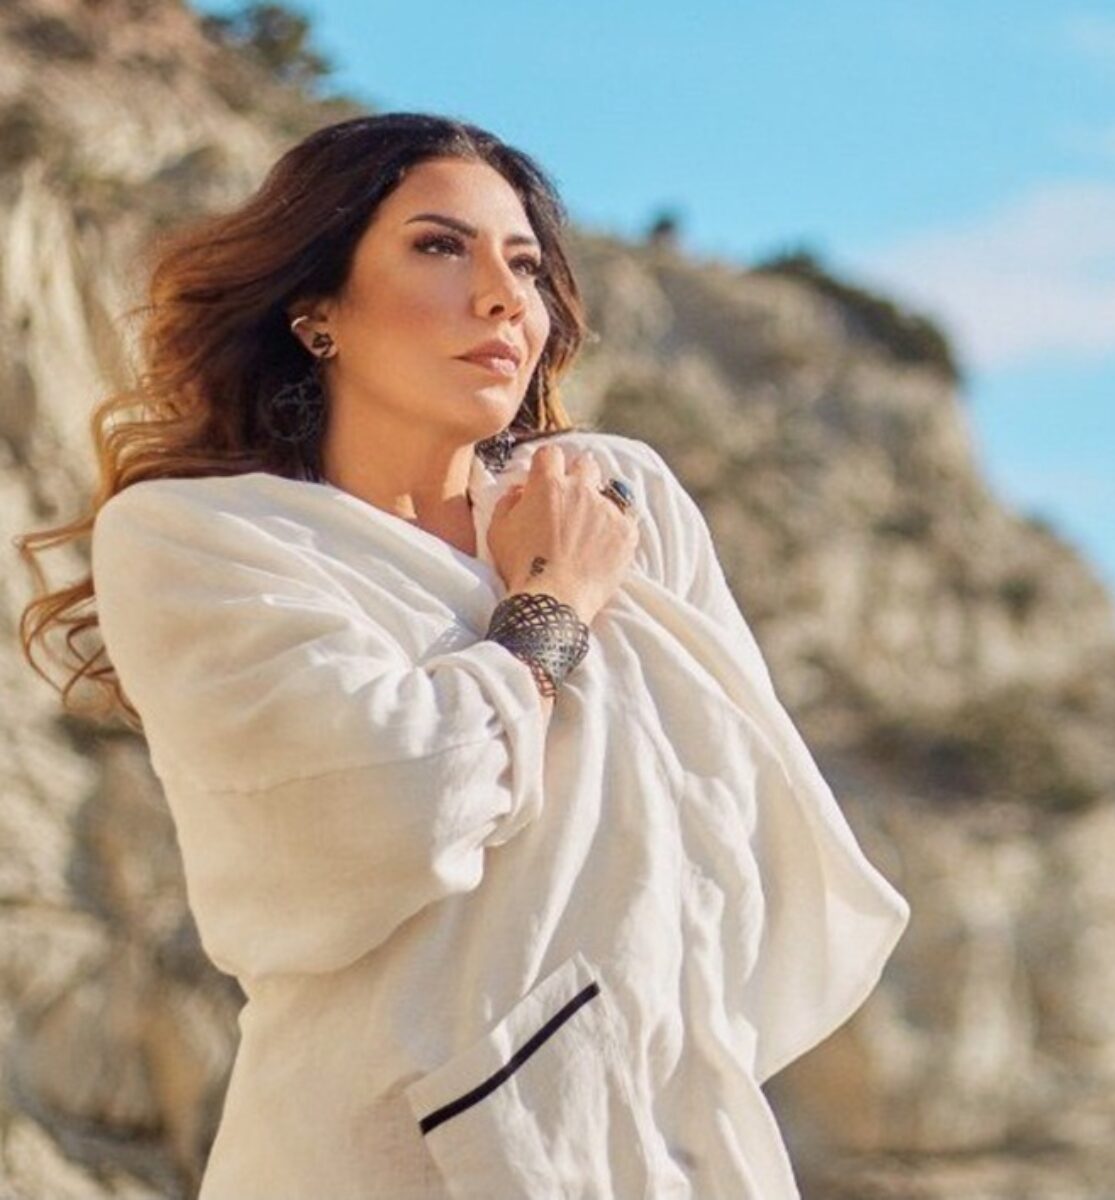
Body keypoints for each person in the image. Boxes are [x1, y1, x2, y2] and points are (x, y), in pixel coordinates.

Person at [16, 113, 911, 1199]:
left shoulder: (618, 494)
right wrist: (551, 605)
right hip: (383, 1153)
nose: (502, 297)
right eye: (440, 247)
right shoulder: (199, 537)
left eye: (524, 265)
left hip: (668, 1145)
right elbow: (388, 806)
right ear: (317, 309)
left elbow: (739, 810)